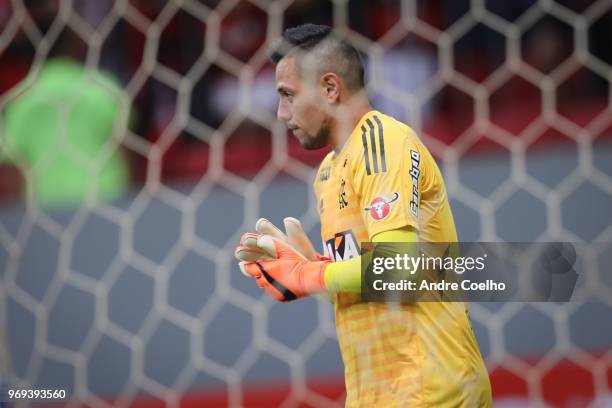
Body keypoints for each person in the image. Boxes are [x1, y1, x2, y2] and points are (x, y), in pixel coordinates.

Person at [235, 24, 492, 407]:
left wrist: (309, 275)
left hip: (432, 388)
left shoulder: (383, 141)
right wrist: (314, 270)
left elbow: (401, 266)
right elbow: (376, 283)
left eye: (288, 95)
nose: (280, 112)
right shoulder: (328, 171)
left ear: (329, 88)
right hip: (376, 393)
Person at [3, 29, 130, 207]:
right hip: (106, 197)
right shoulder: (103, 88)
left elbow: (11, 169)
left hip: (44, 205)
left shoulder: (21, 100)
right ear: (74, 47)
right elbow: (126, 148)